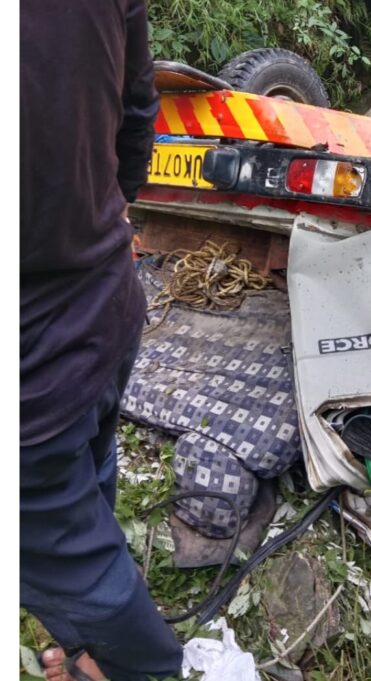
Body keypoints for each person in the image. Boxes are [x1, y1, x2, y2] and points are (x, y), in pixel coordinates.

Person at [20, 1, 183, 679]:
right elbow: (138, 109)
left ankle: (143, 665)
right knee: (86, 490)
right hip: (106, 306)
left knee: (72, 559)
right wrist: (99, 227)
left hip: (34, 374)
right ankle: (93, 644)